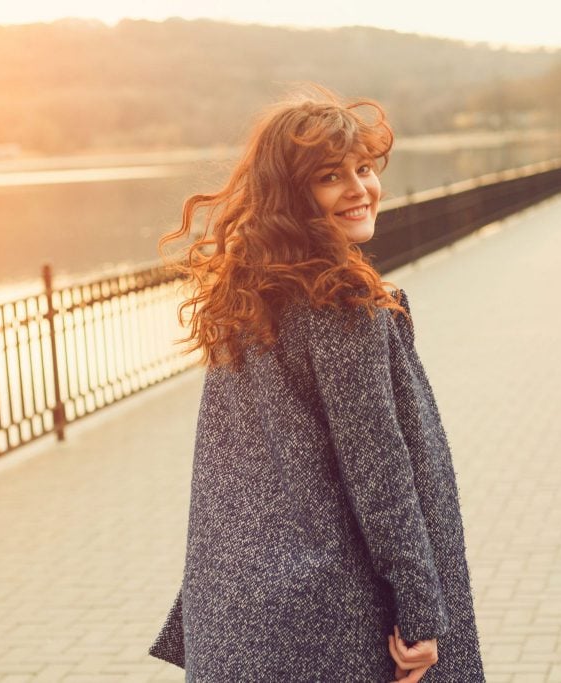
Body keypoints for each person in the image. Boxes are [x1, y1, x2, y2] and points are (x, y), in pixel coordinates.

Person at [146, 85, 485, 682]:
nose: (359, 189)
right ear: (291, 198)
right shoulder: (341, 306)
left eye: (363, 169)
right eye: (332, 177)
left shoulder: (247, 300)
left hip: (251, 616)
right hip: (332, 618)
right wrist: (420, 613)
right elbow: (382, 473)